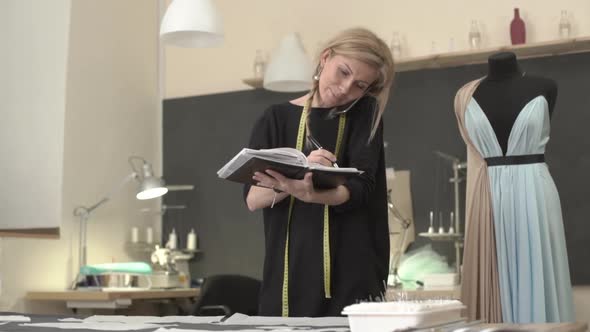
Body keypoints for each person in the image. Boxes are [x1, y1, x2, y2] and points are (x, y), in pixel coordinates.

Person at [243, 27, 395, 317]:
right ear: (325, 58)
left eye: (360, 85)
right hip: (289, 276)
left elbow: (362, 190)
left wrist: (313, 195)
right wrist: (296, 178)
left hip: (352, 275)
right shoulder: (274, 119)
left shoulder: (366, 114)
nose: (345, 88)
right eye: (343, 72)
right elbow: (253, 199)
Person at [454, 52, 574, 323]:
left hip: (534, 191)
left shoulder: (546, 86)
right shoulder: (464, 96)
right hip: (487, 195)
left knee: (537, 272)